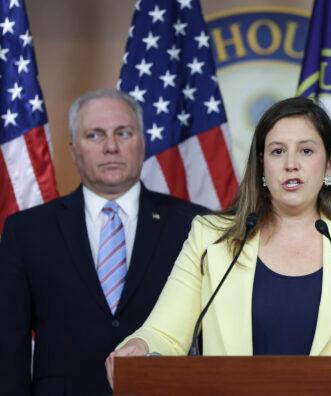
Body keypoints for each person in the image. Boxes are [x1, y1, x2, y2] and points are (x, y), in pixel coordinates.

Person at [106, 96, 331, 384]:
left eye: (306, 151)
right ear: (262, 166)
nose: (291, 164)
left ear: (328, 166)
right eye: (278, 151)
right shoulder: (211, 238)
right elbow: (165, 333)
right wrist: (139, 346)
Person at [0, 89, 209, 396]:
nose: (111, 147)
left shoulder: (195, 225)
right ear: (73, 149)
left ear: (142, 141)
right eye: (95, 135)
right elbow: (9, 345)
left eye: (123, 133)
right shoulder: (27, 230)